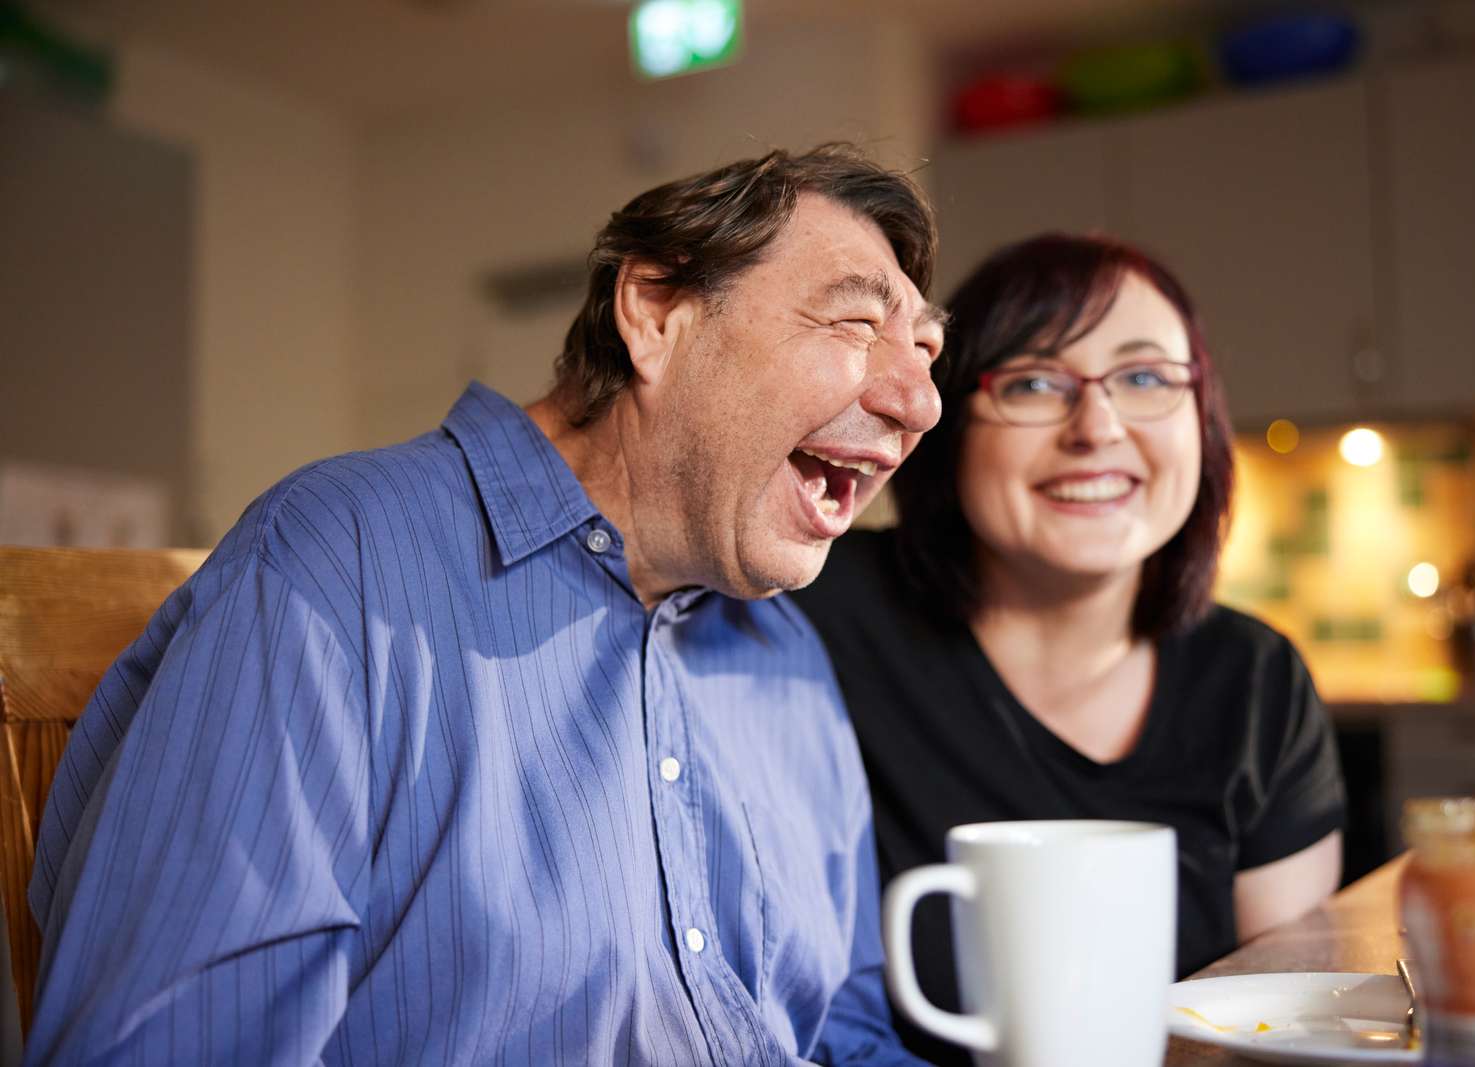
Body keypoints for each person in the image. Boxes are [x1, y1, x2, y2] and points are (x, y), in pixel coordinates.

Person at [25, 145, 949, 1066]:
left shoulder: (785, 650)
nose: (921, 403)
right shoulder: (338, 561)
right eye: (857, 323)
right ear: (656, 311)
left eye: (924, 348)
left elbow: (847, 1031)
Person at [791, 234, 1345, 1064]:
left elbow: (1279, 1023)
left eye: (1145, 378)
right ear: (949, 423)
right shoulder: (818, 610)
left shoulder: (1255, 682)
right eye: (1034, 383)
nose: (1097, 427)